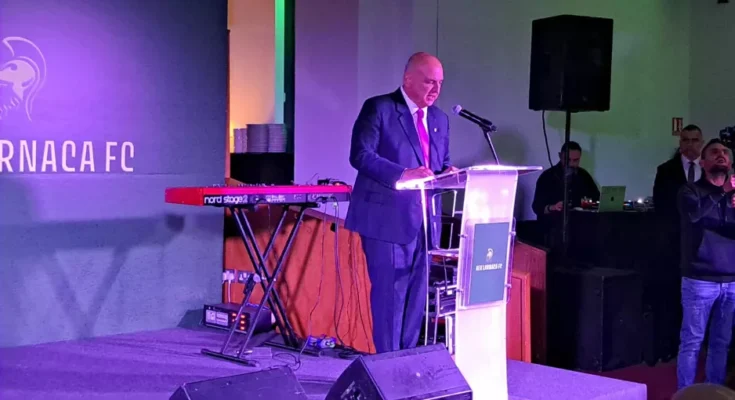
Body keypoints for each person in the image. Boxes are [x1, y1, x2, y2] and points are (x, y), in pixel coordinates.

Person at [344, 52, 457, 353]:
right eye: (429, 82)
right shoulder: (380, 108)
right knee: (390, 297)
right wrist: (403, 173)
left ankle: (406, 362)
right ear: (408, 79)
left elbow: (440, 165)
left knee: (416, 299)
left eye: (440, 83)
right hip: (386, 220)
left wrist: (450, 174)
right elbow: (361, 155)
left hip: (425, 223)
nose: (436, 89)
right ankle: (388, 366)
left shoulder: (439, 119)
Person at [676, 138, 735, 390]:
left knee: (721, 343)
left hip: (731, 280)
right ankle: (685, 393)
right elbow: (694, 216)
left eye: (725, 152)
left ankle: (714, 392)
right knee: (692, 342)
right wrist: (722, 193)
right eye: (714, 152)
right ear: (703, 162)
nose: (721, 155)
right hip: (700, 279)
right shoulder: (690, 191)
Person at [654, 124, 704, 216]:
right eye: (685, 140)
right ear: (680, 143)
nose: (690, 144)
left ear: (702, 143)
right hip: (674, 222)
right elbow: (659, 204)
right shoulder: (665, 170)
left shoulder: (710, 168)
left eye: (694, 140)